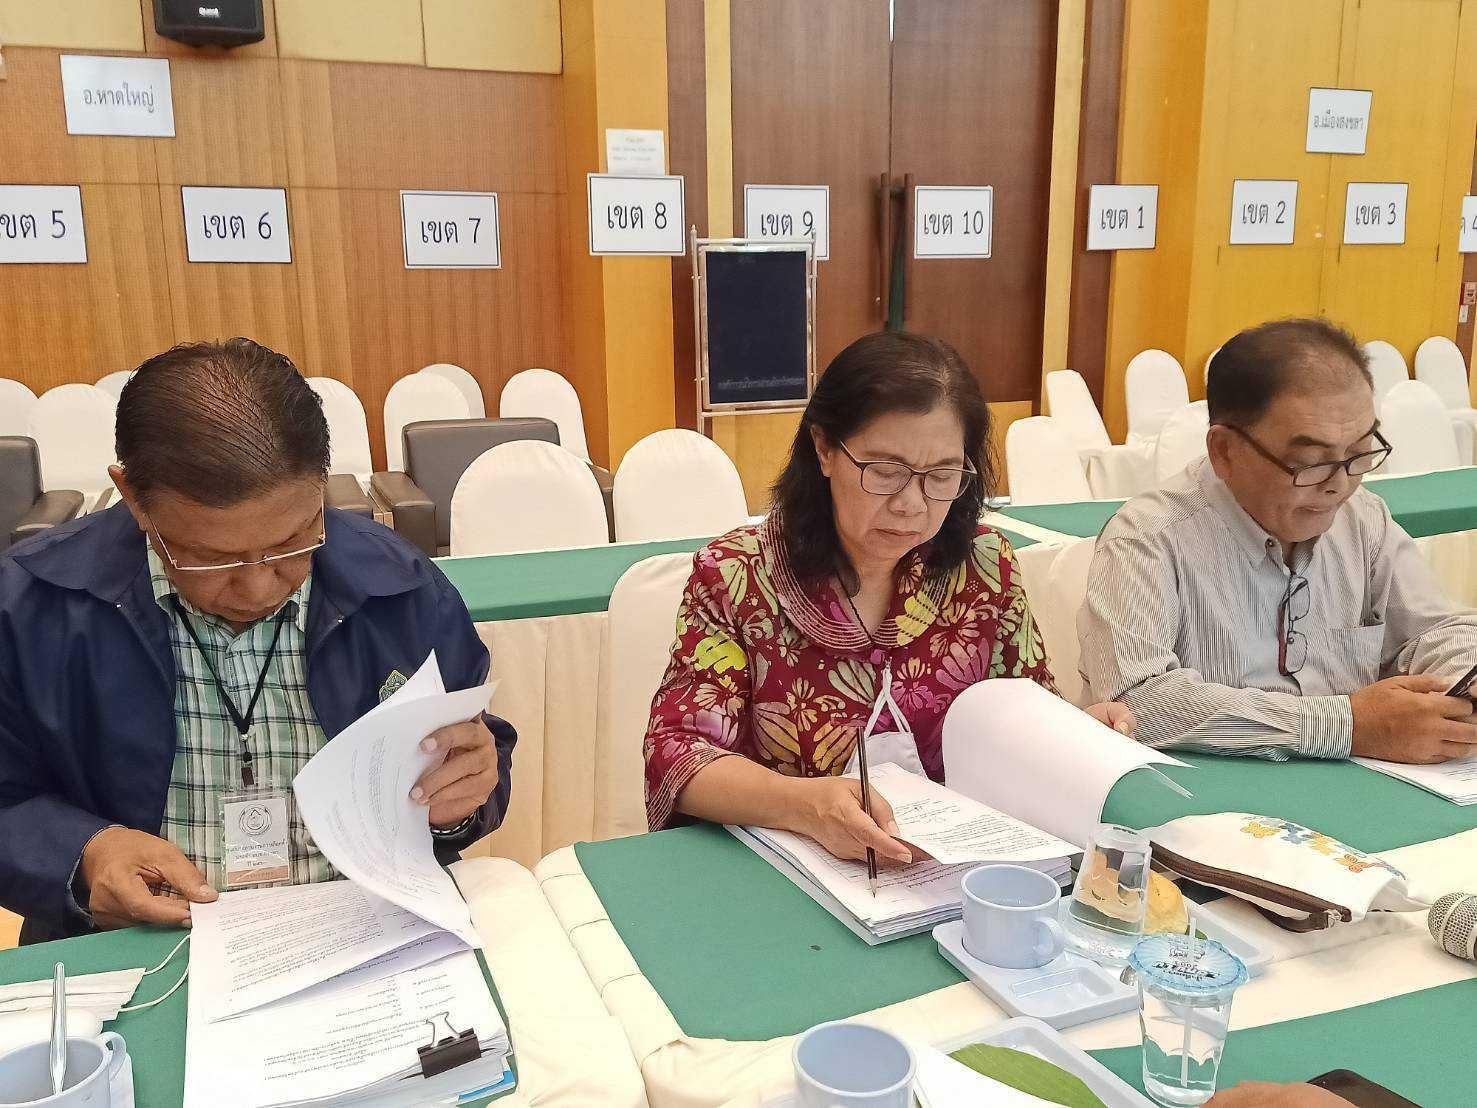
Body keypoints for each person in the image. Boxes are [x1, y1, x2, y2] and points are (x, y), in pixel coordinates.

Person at [0, 339, 515, 943]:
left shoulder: (399, 586)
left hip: (360, 930)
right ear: (133, 497)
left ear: (322, 486)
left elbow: (474, 750)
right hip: (141, 942)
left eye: (293, 542)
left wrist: (463, 798)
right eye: (209, 558)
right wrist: (85, 854)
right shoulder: (33, 606)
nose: (257, 586)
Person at [643, 331, 1132, 862]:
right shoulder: (736, 576)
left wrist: (1076, 733)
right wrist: (804, 806)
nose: (911, 504)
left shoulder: (984, 568)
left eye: (941, 476)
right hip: (790, 868)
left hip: (955, 868)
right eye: (885, 471)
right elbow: (677, 755)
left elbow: (1025, 714)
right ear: (824, 449)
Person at [1079, 317, 1477, 763]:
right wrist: (1347, 725)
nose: (1339, 485)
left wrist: (1464, 674)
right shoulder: (1147, 539)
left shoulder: (1362, 519)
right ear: (1224, 451)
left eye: (1360, 453)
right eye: (1310, 461)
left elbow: (1435, 631)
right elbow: (1138, 700)